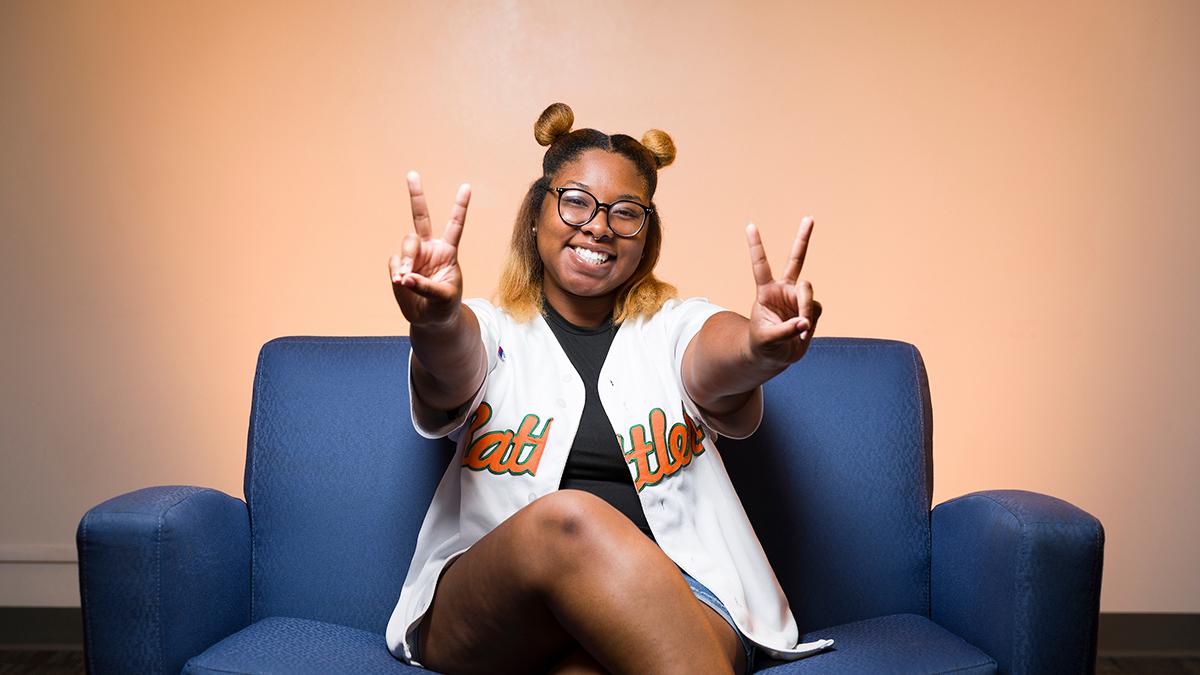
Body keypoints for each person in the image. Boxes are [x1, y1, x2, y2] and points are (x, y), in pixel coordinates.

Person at [384, 103, 831, 675]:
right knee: (568, 519)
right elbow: (451, 365)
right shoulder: (491, 331)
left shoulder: (671, 328)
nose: (598, 226)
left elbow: (717, 358)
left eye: (626, 213)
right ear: (536, 213)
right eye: (576, 201)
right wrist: (435, 321)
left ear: (646, 237)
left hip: (683, 595)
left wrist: (758, 349)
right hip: (495, 604)